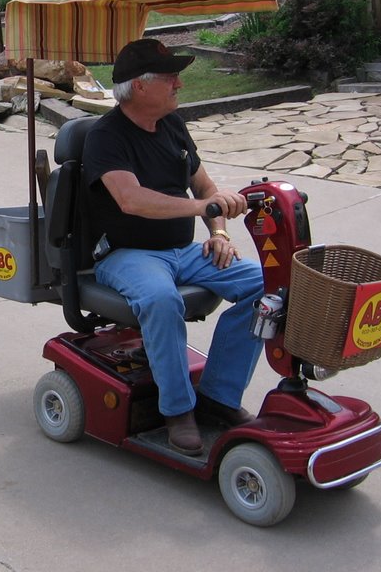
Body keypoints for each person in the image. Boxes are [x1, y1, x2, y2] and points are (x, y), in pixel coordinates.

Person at [81, 39, 265, 455]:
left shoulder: (172, 125)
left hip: (184, 252)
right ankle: (178, 410)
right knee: (162, 299)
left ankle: (218, 396)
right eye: (170, 77)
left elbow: (205, 188)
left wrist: (218, 231)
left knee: (265, 284)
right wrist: (203, 206)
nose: (179, 84)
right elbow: (132, 199)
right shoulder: (105, 137)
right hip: (127, 254)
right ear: (140, 87)